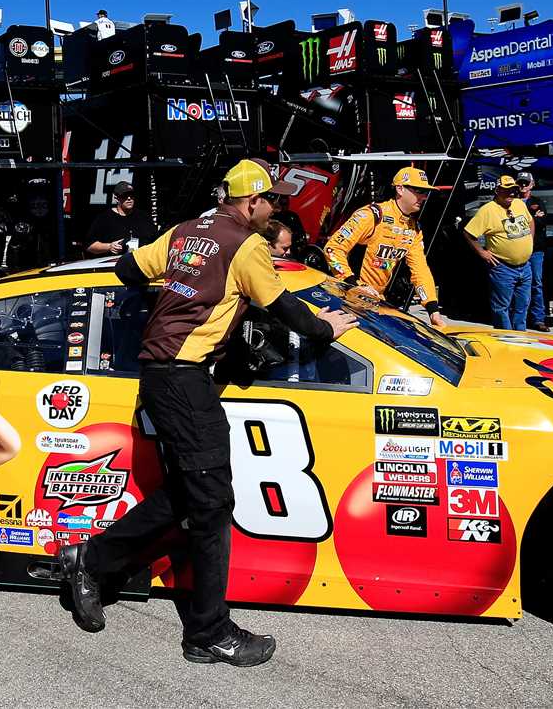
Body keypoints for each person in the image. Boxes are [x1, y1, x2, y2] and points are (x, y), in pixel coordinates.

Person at [59, 159, 356, 666]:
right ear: (251, 202)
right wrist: (327, 328)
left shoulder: (184, 231)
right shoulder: (247, 244)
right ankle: (207, 632)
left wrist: (180, 289)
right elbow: (283, 307)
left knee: (194, 495)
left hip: (164, 374)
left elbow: (127, 269)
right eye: (271, 202)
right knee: (213, 503)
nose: (274, 210)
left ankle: (90, 558)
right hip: (183, 377)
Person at [323, 166, 449, 327]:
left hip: (376, 302)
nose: (423, 197)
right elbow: (332, 249)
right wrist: (354, 285)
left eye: (426, 192)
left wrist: (433, 310)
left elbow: (420, 271)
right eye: (418, 190)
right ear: (400, 189)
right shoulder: (373, 215)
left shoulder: (413, 229)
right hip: (346, 295)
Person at [462, 174, 534, 329]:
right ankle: (505, 340)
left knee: (522, 306)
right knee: (502, 308)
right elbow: (468, 233)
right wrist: (483, 252)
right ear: (497, 190)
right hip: (503, 268)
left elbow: (530, 221)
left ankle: (519, 339)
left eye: (514, 190)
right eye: (507, 190)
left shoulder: (519, 204)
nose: (512, 194)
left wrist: (530, 241)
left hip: (525, 266)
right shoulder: (487, 210)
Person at [515, 173, 552, 331]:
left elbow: (542, 221)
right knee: (517, 284)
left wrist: (527, 220)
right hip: (516, 250)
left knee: (536, 284)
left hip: (536, 250)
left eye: (526, 183)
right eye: (521, 183)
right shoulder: (512, 202)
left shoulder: (538, 202)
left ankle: (538, 319)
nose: (523, 186)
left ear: (532, 184)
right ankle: (518, 318)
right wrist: (532, 219)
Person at [83, 181, 158, 257]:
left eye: (131, 195)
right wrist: (109, 246)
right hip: (116, 265)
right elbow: (89, 246)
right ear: (116, 198)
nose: (129, 198)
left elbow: (156, 242)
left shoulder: (144, 217)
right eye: (125, 195)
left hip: (142, 263)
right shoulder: (104, 219)